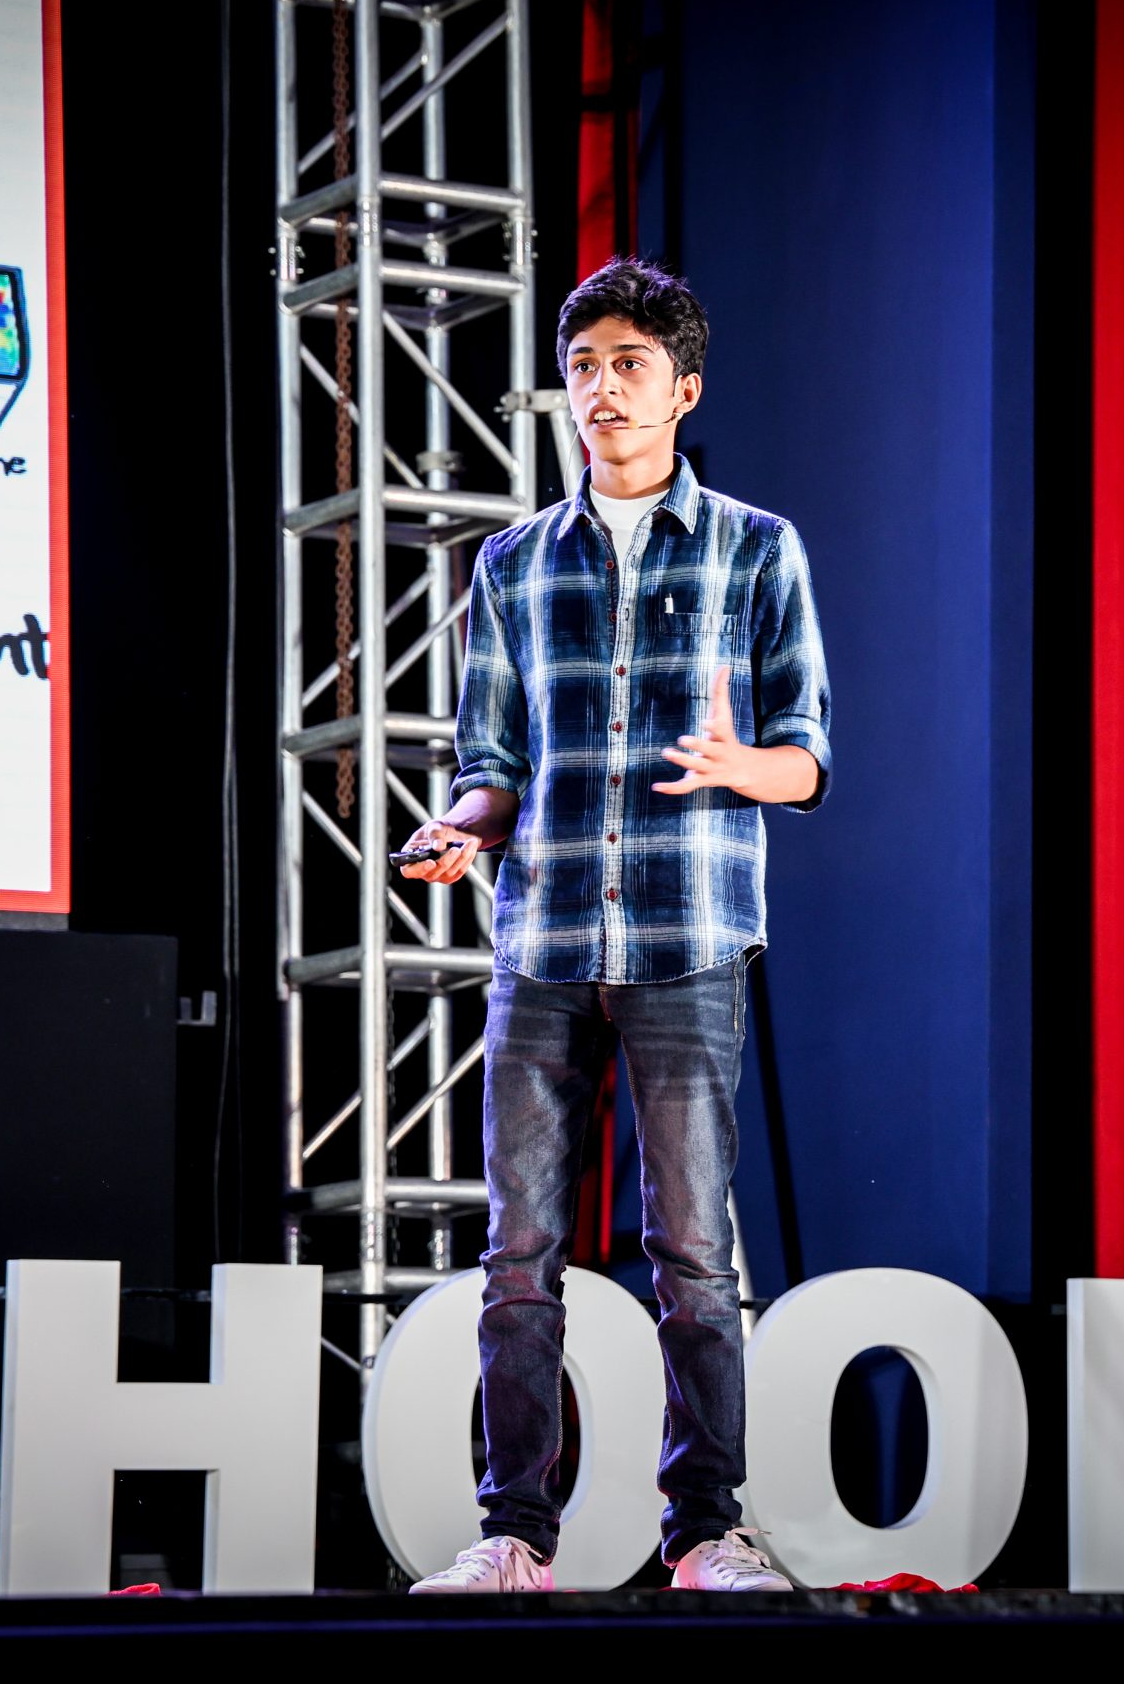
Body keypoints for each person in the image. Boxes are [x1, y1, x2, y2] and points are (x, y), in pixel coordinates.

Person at [398, 258, 831, 1593]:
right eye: (582, 367)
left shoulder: (758, 547)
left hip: (686, 940)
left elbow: (808, 757)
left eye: (630, 364)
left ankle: (705, 1530)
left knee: (694, 1252)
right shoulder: (514, 561)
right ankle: (514, 1534)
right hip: (541, 944)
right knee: (519, 1254)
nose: (602, 389)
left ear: (684, 388)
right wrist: (463, 829)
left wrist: (740, 764)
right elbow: (491, 761)